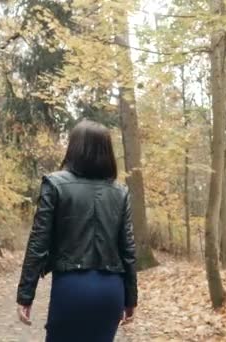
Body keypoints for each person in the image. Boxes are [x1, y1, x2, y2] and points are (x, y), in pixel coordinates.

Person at [16, 120, 138, 342]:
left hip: (71, 288)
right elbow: (128, 250)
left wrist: (26, 295)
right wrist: (130, 299)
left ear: (74, 148)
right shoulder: (120, 192)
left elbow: (38, 243)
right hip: (111, 291)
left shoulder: (54, 184)